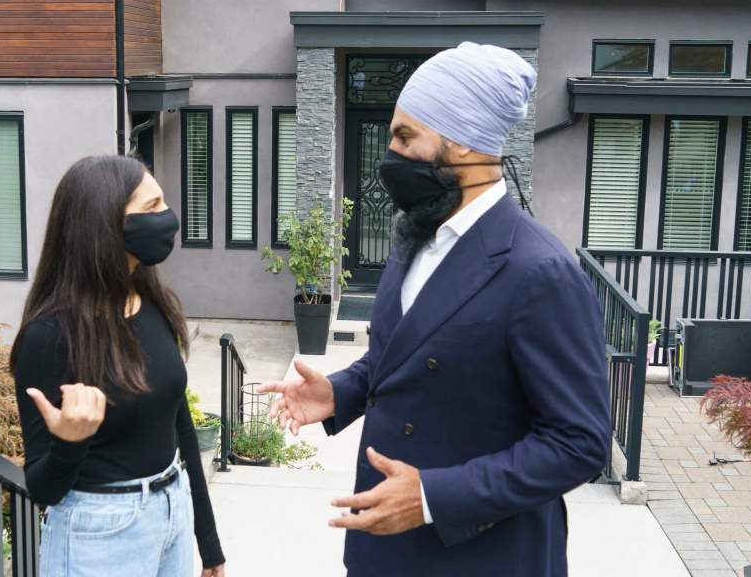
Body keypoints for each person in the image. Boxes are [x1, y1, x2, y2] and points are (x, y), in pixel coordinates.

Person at [261, 42, 611, 577]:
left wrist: (431, 497)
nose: (390, 153)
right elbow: (407, 354)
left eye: (406, 137)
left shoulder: (539, 271)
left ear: (465, 145)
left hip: (482, 558)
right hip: (386, 550)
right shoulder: (415, 236)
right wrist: (341, 392)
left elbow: (580, 442)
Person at [10, 155, 225, 577]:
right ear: (104, 225)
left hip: (171, 511)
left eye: (162, 204)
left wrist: (208, 540)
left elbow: (177, 419)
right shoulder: (50, 335)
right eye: (151, 208)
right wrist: (71, 440)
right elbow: (43, 488)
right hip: (100, 534)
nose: (167, 218)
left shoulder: (150, 299)